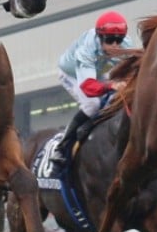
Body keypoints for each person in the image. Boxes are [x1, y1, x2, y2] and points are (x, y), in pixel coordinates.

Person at [49, 10, 135, 172]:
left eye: (119, 40)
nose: (116, 45)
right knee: (92, 105)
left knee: (117, 97)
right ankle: (62, 147)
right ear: (100, 37)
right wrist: (110, 86)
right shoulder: (86, 51)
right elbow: (88, 87)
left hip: (98, 70)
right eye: (110, 40)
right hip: (72, 72)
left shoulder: (126, 46)